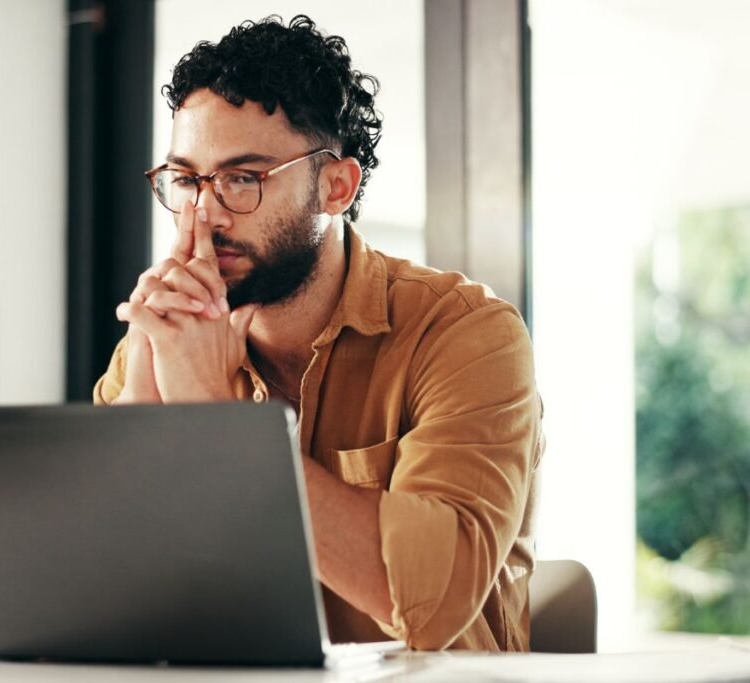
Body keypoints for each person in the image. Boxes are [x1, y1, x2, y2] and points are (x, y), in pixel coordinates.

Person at [94, 15, 544, 652]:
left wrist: (221, 425)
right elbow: (102, 598)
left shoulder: (466, 335)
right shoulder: (165, 341)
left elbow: (432, 605)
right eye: (188, 180)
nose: (204, 213)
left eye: (241, 180)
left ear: (336, 187)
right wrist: (144, 393)